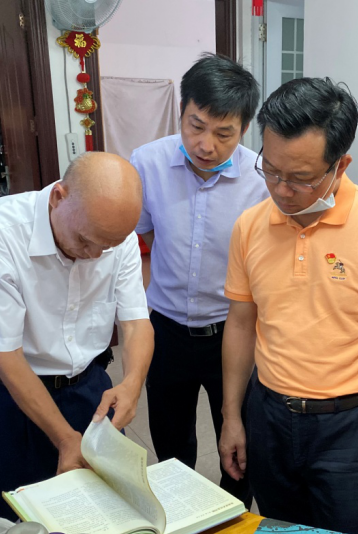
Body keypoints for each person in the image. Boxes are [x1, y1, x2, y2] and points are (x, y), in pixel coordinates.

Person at [219, 78, 358, 534]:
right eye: (271, 170)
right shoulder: (249, 226)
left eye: (301, 178)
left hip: (349, 425)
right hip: (269, 414)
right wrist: (232, 416)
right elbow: (240, 325)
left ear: (341, 165)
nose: (281, 189)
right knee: (278, 527)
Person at [0, 152, 154, 520]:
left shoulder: (113, 232)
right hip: (10, 396)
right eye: (85, 240)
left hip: (88, 389)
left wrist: (132, 383)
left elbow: (136, 322)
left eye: (108, 245)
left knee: (109, 515)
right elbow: (6, 354)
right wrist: (64, 438)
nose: (95, 254)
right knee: (26, 520)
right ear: (59, 197)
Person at [130, 53, 266, 505]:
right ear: (181, 111)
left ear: (244, 128)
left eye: (224, 133)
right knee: (170, 445)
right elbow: (143, 238)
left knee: (240, 445)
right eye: (196, 126)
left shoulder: (261, 181)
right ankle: (181, 516)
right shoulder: (147, 163)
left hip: (233, 331)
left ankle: (232, 518)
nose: (206, 144)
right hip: (166, 330)